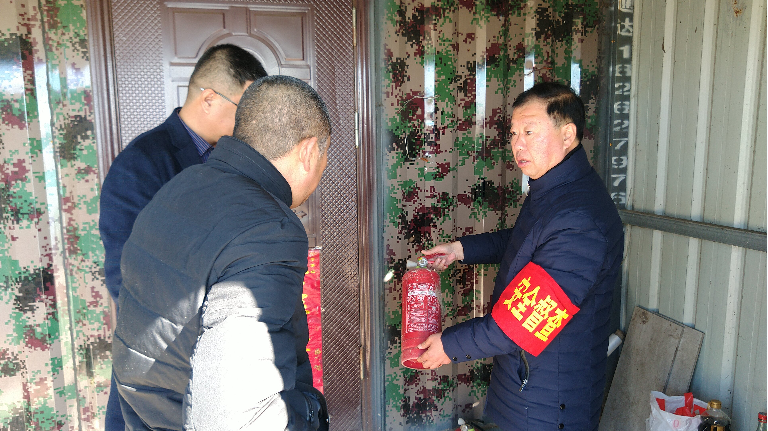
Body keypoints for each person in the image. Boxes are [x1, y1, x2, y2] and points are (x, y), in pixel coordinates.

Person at [112, 75, 331, 430]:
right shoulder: (268, 229)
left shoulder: (178, 187)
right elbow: (239, 418)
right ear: (308, 151)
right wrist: (309, 410)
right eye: (325, 154)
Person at [418, 82, 624, 431]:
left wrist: (448, 346)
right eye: (514, 133)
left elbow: (523, 322)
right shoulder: (555, 188)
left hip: (548, 399)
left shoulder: (580, 218)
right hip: (522, 378)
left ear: (568, 134)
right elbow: (524, 241)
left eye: (529, 132)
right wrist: (460, 250)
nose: (517, 144)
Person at [98, 44, 267, 429]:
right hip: (163, 363)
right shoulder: (141, 163)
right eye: (246, 110)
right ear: (209, 99)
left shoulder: (232, 161)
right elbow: (126, 278)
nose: (252, 124)